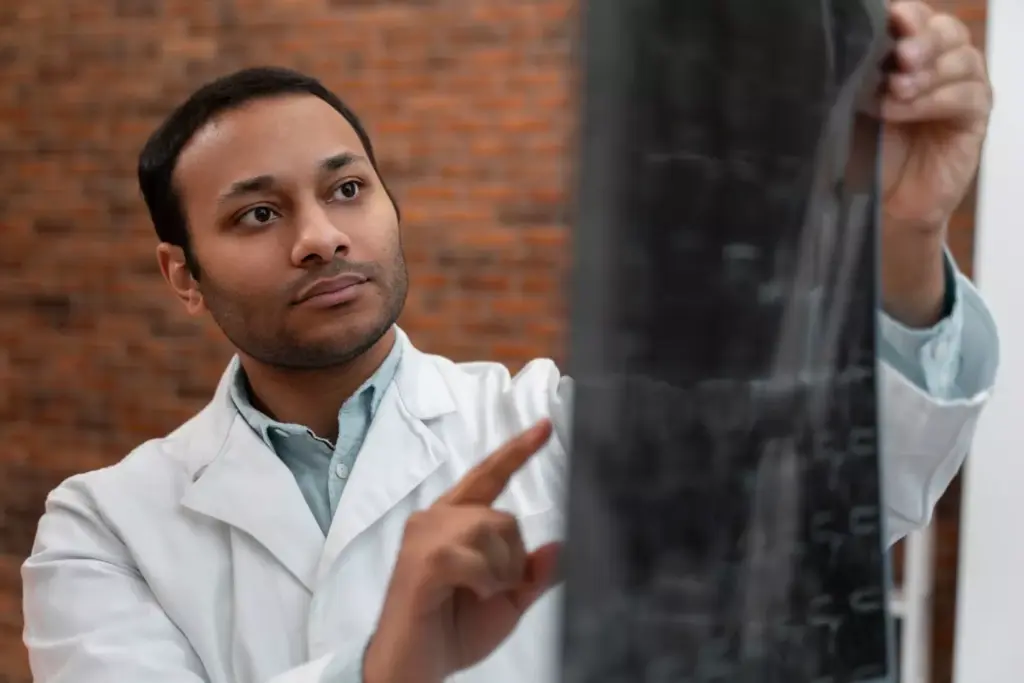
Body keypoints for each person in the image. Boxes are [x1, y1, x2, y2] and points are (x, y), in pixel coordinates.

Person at [21, 3, 998, 683]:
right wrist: (384, 665)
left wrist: (909, 231)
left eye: (347, 187)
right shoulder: (102, 530)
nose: (320, 233)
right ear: (180, 274)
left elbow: (847, 496)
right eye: (258, 213)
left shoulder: (555, 426)